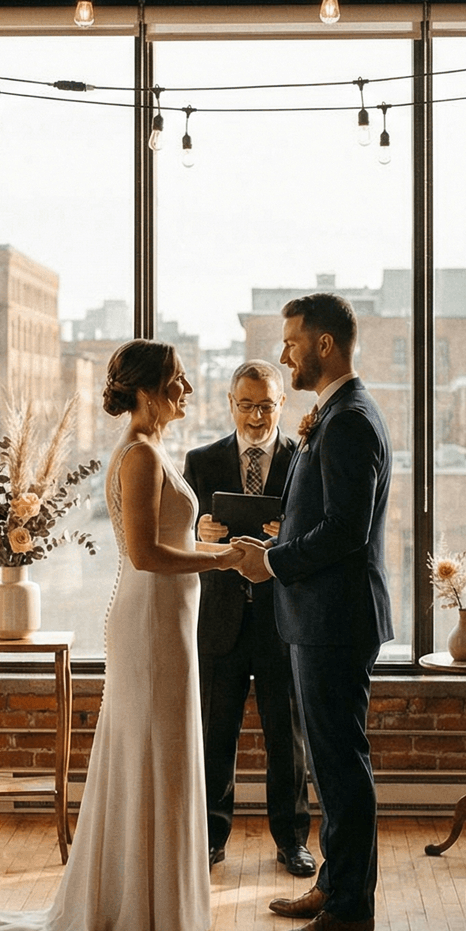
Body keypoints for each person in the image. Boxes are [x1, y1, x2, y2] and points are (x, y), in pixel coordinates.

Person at [0, 340, 244, 931]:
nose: (188, 391)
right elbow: (143, 553)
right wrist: (223, 559)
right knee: (152, 754)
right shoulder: (139, 455)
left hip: (169, 619)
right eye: (178, 381)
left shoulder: (154, 450)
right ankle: (142, 905)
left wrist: (211, 545)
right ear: (145, 392)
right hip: (152, 621)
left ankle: (159, 898)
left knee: (162, 755)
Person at [233, 292, 393, 931]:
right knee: (330, 762)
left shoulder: (350, 419)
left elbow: (344, 533)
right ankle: (334, 882)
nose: (283, 353)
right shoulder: (336, 414)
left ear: (324, 345)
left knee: (341, 762)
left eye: (292, 340)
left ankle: (351, 907)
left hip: (335, 620)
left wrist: (270, 561)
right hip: (319, 617)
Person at [185, 358, 314, 876]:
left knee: (288, 736)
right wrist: (203, 531)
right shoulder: (201, 460)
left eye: (266, 405)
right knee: (216, 732)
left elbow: (317, 533)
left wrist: (290, 533)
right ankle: (211, 837)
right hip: (220, 617)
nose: (256, 417)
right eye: (246, 405)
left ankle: (292, 840)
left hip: (283, 617)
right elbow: (181, 532)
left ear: (282, 403)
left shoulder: (304, 459)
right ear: (231, 404)